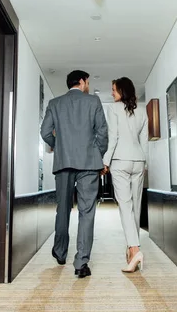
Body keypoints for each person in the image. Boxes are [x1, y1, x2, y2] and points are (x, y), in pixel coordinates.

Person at [40, 70, 108, 278]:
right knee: (87, 211)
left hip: (63, 163)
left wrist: (57, 146)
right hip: (88, 164)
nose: (87, 85)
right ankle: (81, 263)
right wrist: (97, 154)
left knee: (63, 208)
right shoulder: (93, 102)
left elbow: (44, 132)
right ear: (81, 81)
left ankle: (60, 253)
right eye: (87, 81)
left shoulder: (54, 103)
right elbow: (103, 133)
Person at [103, 77, 148, 273]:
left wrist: (105, 161)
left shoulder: (113, 109)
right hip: (138, 160)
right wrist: (144, 161)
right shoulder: (142, 109)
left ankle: (135, 249)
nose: (112, 93)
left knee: (125, 206)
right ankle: (132, 253)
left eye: (113, 90)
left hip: (120, 160)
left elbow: (113, 137)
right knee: (135, 207)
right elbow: (144, 140)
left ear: (122, 90)